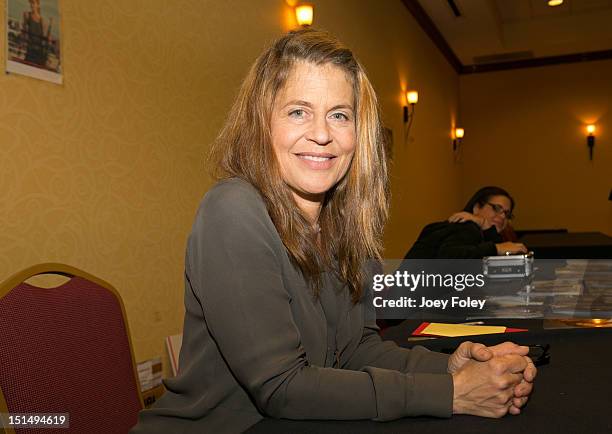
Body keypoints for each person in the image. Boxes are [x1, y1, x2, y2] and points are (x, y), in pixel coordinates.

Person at [131, 30, 535, 433]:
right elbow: (282, 387)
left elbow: (358, 349)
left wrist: (450, 366)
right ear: (261, 122)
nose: (322, 134)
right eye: (298, 111)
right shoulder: (233, 209)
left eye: (339, 115)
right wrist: (451, 393)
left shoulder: (344, 224)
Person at [405, 186, 528, 259]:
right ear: (476, 207)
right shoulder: (465, 227)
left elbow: (493, 264)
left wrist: (487, 227)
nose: (502, 216)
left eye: (507, 214)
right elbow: (448, 257)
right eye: (496, 208)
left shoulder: (480, 233)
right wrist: (495, 248)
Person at [20, 0, 52, 67]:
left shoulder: (42, 21)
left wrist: (47, 57)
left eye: (33, 3)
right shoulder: (27, 15)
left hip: (40, 53)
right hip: (30, 51)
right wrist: (22, 45)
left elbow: (46, 39)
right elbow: (23, 32)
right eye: (31, 3)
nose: (32, 5)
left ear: (38, 5)